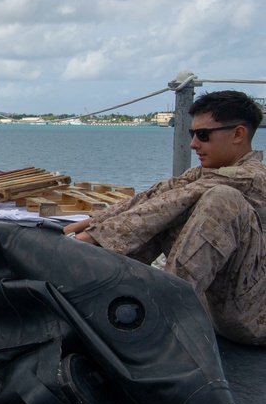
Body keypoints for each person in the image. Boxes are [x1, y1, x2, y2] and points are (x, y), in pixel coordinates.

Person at [64, 90, 265, 346]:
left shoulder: (253, 177)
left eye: (203, 135)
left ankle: (160, 319)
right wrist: (74, 229)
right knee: (171, 207)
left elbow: (175, 200)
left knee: (219, 199)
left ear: (238, 134)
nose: (193, 144)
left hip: (255, 316)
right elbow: (157, 195)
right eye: (192, 134)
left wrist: (89, 238)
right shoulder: (209, 173)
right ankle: (97, 294)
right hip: (218, 312)